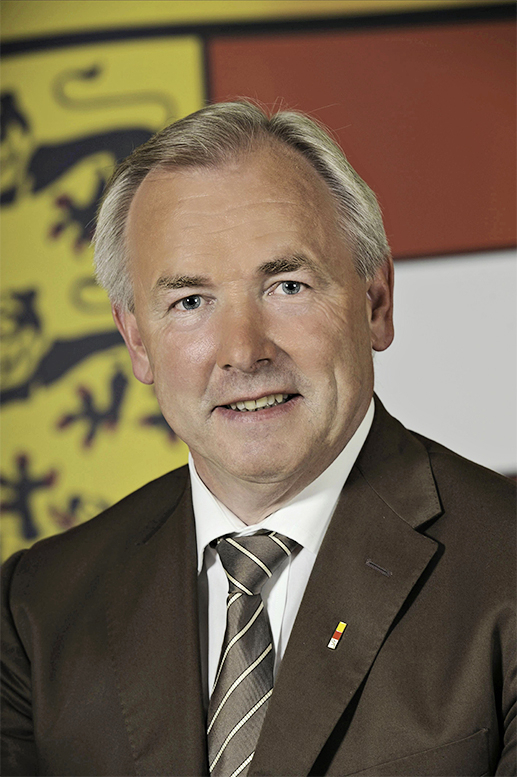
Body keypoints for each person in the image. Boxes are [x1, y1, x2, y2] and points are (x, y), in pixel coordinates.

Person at [1, 101, 515, 777]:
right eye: (189, 301)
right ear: (137, 340)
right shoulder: (36, 611)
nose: (243, 352)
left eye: (287, 286)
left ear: (376, 303)